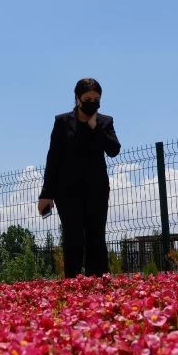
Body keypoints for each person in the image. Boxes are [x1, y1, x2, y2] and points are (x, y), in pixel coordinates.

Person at [37, 78, 121, 278]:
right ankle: (73, 285)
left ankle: (99, 285)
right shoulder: (62, 122)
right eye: (87, 98)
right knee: (73, 238)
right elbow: (53, 158)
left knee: (96, 237)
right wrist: (46, 193)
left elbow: (114, 149)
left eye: (96, 98)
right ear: (77, 98)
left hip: (97, 190)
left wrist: (95, 127)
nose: (92, 102)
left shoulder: (105, 122)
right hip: (67, 192)